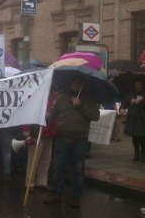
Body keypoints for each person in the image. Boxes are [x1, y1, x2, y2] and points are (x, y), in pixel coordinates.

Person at [44, 75, 100, 208]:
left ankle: (76, 196)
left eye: (79, 82)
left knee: (78, 170)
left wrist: (81, 105)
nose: (76, 84)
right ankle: (56, 193)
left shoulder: (89, 99)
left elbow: (95, 116)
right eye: (74, 81)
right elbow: (52, 112)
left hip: (79, 140)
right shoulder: (62, 97)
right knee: (58, 168)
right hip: (62, 139)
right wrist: (43, 118)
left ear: (83, 84)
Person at [23, 84, 58, 192]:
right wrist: (26, 128)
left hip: (49, 131)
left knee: (45, 158)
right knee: (34, 158)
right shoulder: (36, 94)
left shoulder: (54, 96)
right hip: (36, 130)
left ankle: (42, 181)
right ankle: (30, 183)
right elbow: (28, 111)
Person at [120, 78, 145, 161]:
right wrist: (122, 108)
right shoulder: (131, 94)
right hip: (133, 119)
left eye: (140, 84)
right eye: (137, 84)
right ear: (135, 85)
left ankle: (143, 154)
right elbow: (124, 102)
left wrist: (139, 103)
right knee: (135, 138)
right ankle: (136, 154)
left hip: (142, 119)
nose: (139, 86)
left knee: (142, 137)